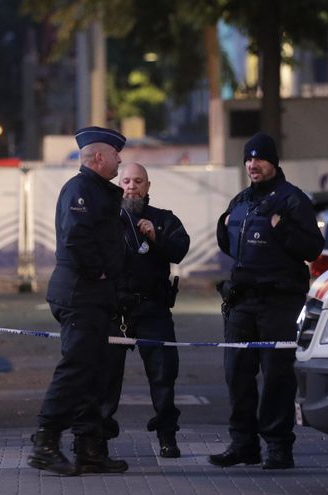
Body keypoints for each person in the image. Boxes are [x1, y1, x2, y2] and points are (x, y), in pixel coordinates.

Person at [210, 132, 324, 470]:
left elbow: (312, 248)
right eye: (248, 159)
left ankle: (278, 447)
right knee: (237, 374)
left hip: (279, 302)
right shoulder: (241, 200)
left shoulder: (293, 200)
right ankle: (243, 444)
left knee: (277, 376)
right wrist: (222, 225)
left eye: (258, 159)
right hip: (242, 301)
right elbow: (231, 244)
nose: (252, 164)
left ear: (273, 162)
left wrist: (282, 228)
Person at [27, 126, 129, 476]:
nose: (120, 160)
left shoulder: (96, 189)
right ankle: (45, 442)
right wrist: (98, 271)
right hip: (81, 294)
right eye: (116, 154)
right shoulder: (81, 189)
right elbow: (77, 238)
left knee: (95, 372)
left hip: (93, 297)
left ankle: (89, 448)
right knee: (76, 369)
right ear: (98, 157)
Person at [102, 163, 190, 459]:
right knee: (106, 378)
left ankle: (168, 436)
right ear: (119, 183)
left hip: (153, 309)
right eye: (126, 180)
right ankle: (98, 439)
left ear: (148, 186)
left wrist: (156, 238)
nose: (131, 186)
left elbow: (179, 250)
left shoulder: (163, 219)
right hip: (116, 311)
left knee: (163, 375)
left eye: (138, 181)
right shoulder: (108, 220)